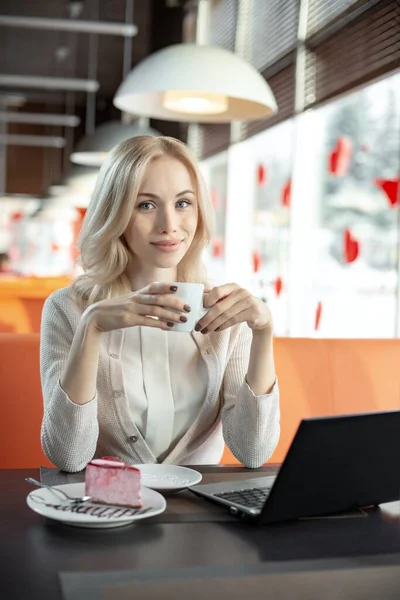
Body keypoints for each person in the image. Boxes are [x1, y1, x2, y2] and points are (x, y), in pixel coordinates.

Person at [40, 136, 280, 473]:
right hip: (108, 511)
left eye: (183, 203)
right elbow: (68, 456)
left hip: (200, 514)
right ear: (117, 213)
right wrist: (91, 327)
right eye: (146, 205)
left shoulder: (225, 310)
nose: (169, 225)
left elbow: (253, 452)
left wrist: (264, 331)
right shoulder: (68, 309)